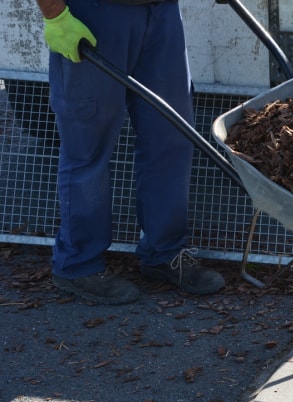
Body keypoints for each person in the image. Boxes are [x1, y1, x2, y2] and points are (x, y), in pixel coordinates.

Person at [36, 0, 225, 304]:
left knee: (170, 136)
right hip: (93, 15)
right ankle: (78, 264)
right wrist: (55, 15)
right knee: (88, 149)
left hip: (161, 13)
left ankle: (165, 252)